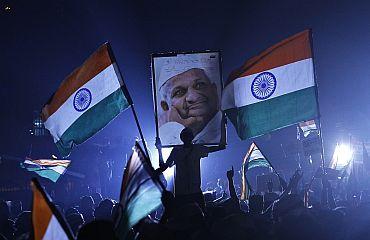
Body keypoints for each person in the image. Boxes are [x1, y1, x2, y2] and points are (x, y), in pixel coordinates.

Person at [156, 54, 224, 145]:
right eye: (179, 92)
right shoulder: (167, 136)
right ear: (166, 107)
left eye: (199, 85)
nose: (193, 97)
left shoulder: (226, 131)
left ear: (214, 90)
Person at [157, 128, 225, 211]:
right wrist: (159, 149)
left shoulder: (195, 149)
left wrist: (223, 126)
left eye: (187, 135)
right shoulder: (178, 150)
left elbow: (221, 146)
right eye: (185, 136)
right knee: (199, 218)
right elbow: (163, 167)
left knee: (196, 218)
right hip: (186, 192)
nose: (187, 138)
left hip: (188, 192)